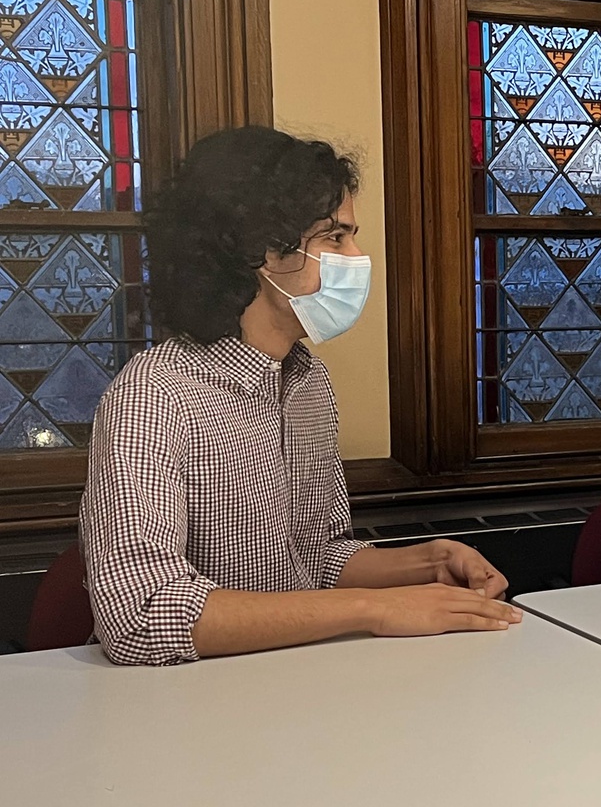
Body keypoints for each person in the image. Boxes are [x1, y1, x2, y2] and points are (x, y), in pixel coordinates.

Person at [80, 127, 520, 666]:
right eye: (334, 238)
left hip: (294, 681)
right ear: (258, 252)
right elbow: (140, 615)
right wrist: (374, 610)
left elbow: (316, 555)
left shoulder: (307, 382)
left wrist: (428, 562)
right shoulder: (153, 396)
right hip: (186, 705)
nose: (357, 256)